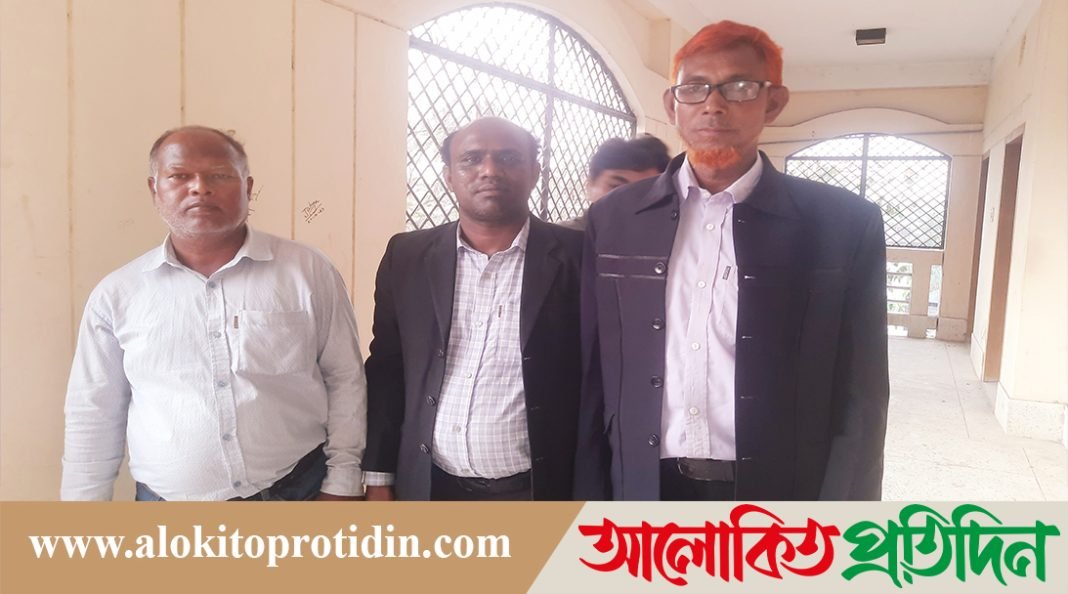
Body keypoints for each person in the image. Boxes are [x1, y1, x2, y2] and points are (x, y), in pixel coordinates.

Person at [575, 21, 890, 501]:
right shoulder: (616, 218)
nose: (713, 104)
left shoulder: (841, 224)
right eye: (695, 88)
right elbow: (594, 371)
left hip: (780, 487)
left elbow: (862, 392)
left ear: (774, 102)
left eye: (739, 87)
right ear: (672, 106)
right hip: (642, 483)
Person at [61, 126, 367, 501]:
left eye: (219, 175)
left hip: (298, 490)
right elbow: (93, 412)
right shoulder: (118, 294)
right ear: (154, 189)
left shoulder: (307, 271)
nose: (200, 188)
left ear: (248, 187)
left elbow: (345, 377)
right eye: (179, 176)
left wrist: (343, 482)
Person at [362, 117, 583, 501]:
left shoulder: (578, 258)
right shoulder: (408, 257)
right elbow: (388, 367)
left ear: (534, 172)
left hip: (538, 492)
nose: (489, 170)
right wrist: (379, 476)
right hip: (429, 488)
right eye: (471, 159)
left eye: (509, 158)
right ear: (449, 175)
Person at [559, 135, 671, 230]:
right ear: (589, 185)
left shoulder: (671, 244)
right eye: (616, 187)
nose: (630, 200)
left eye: (644, 192)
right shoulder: (557, 242)